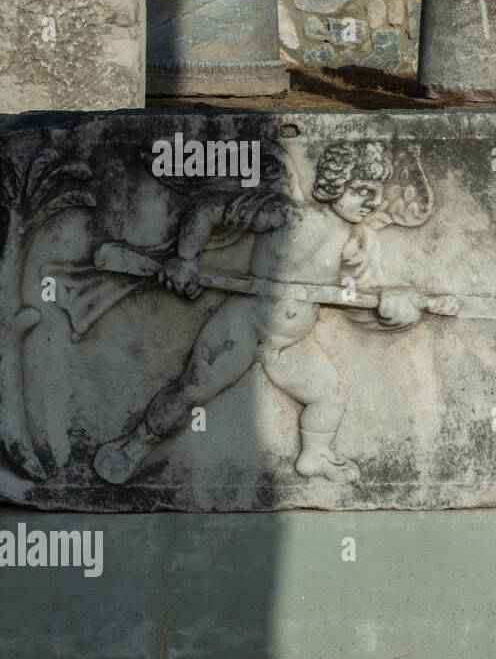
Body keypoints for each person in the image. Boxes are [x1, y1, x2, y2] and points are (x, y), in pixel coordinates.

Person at [93, 141, 422, 485]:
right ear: (334, 184)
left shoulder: (357, 243)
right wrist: (185, 260)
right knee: (192, 391)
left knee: (329, 394)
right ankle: (134, 445)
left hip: (292, 342)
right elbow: (207, 209)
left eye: (376, 192)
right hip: (243, 326)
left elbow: (365, 299)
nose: (371, 200)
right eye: (361, 190)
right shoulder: (288, 214)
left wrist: (398, 308)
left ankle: (315, 455)